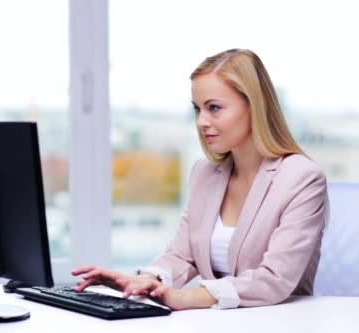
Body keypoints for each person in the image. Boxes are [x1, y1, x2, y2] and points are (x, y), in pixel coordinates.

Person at [72, 49, 329, 310]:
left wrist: (184, 298)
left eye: (214, 108)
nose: (202, 121)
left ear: (254, 105)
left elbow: (274, 279)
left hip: (280, 326)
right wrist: (144, 281)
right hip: (213, 327)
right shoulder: (205, 173)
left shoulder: (301, 178)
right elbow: (183, 254)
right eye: (198, 109)